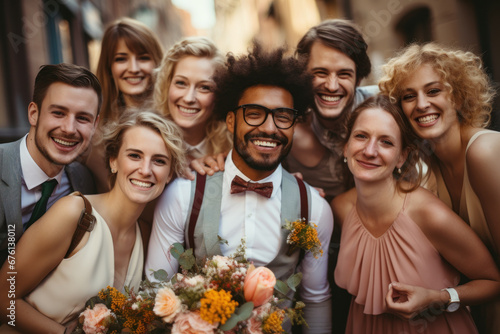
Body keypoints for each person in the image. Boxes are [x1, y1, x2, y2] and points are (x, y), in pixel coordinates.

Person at [146, 44, 333, 333]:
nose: (270, 128)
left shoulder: (315, 207)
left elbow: (316, 299)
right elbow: (156, 291)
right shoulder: (182, 195)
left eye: (283, 117)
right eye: (255, 113)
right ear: (231, 121)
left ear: (294, 126)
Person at [0, 111, 186, 333]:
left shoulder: (145, 235)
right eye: (134, 156)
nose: (145, 170)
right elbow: (4, 297)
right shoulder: (74, 213)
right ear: (113, 161)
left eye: (159, 161)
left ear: (169, 174)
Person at [332, 94, 500, 333]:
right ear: (345, 147)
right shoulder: (340, 208)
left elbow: (493, 282)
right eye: (361, 136)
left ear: (402, 156)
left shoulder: (428, 213)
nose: (370, 151)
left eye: (386, 142)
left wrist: (438, 297)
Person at [379, 42, 500, 334]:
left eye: (433, 91)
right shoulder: (428, 169)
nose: (421, 105)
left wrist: (443, 298)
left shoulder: (484, 152)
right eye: (409, 96)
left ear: (457, 97)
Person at [0, 63, 100, 266]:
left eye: (82, 118)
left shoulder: (84, 180)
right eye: (58, 113)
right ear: (33, 114)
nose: (69, 129)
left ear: (95, 125)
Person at [86, 17, 164, 193]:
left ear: (157, 63)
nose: (134, 68)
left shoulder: (176, 121)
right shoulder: (93, 135)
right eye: (121, 59)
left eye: (143, 58)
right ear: (109, 68)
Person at [154, 36, 232, 160]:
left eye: (204, 87)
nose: (189, 98)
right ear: (167, 85)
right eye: (181, 83)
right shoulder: (146, 141)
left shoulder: (233, 150)